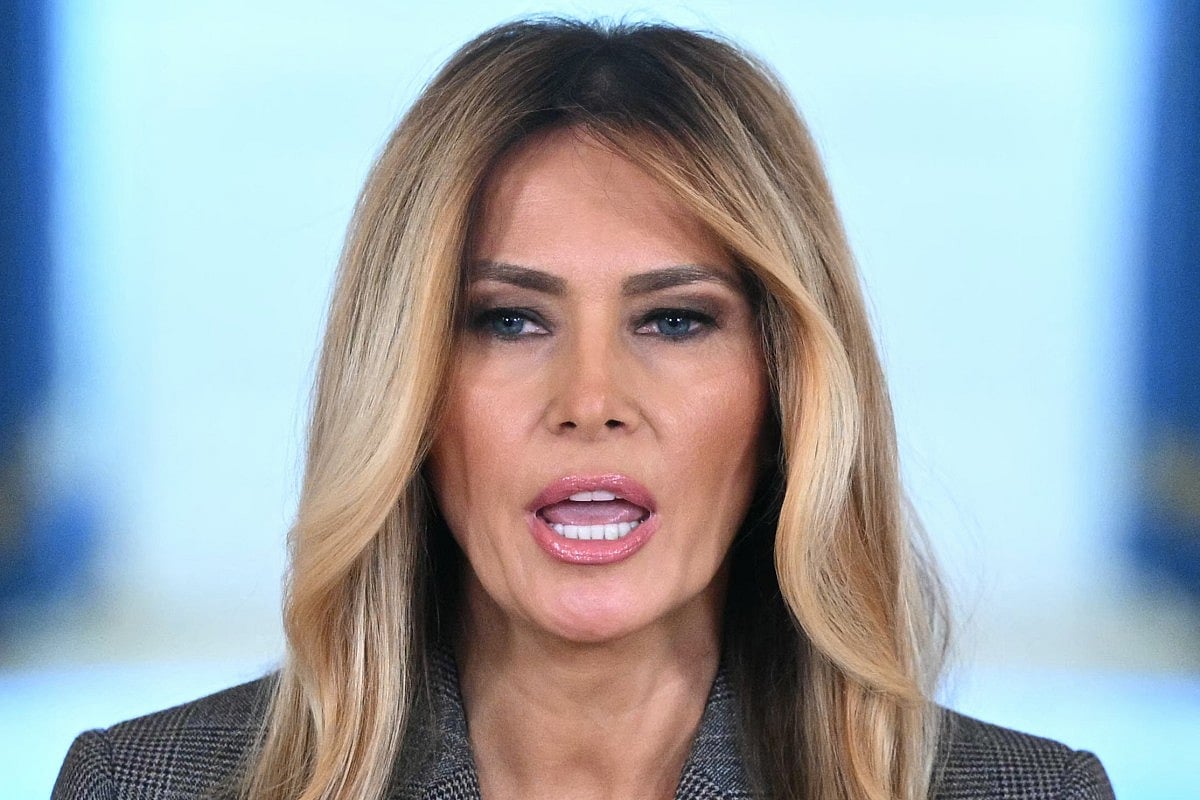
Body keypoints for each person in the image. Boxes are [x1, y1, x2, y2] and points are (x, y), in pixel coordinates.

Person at [53, 17, 1115, 800]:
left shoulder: (1026, 792)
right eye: (511, 320)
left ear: (787, 384)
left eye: (675, 320)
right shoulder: (140, 784)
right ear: (405, 388)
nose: (593, 401)